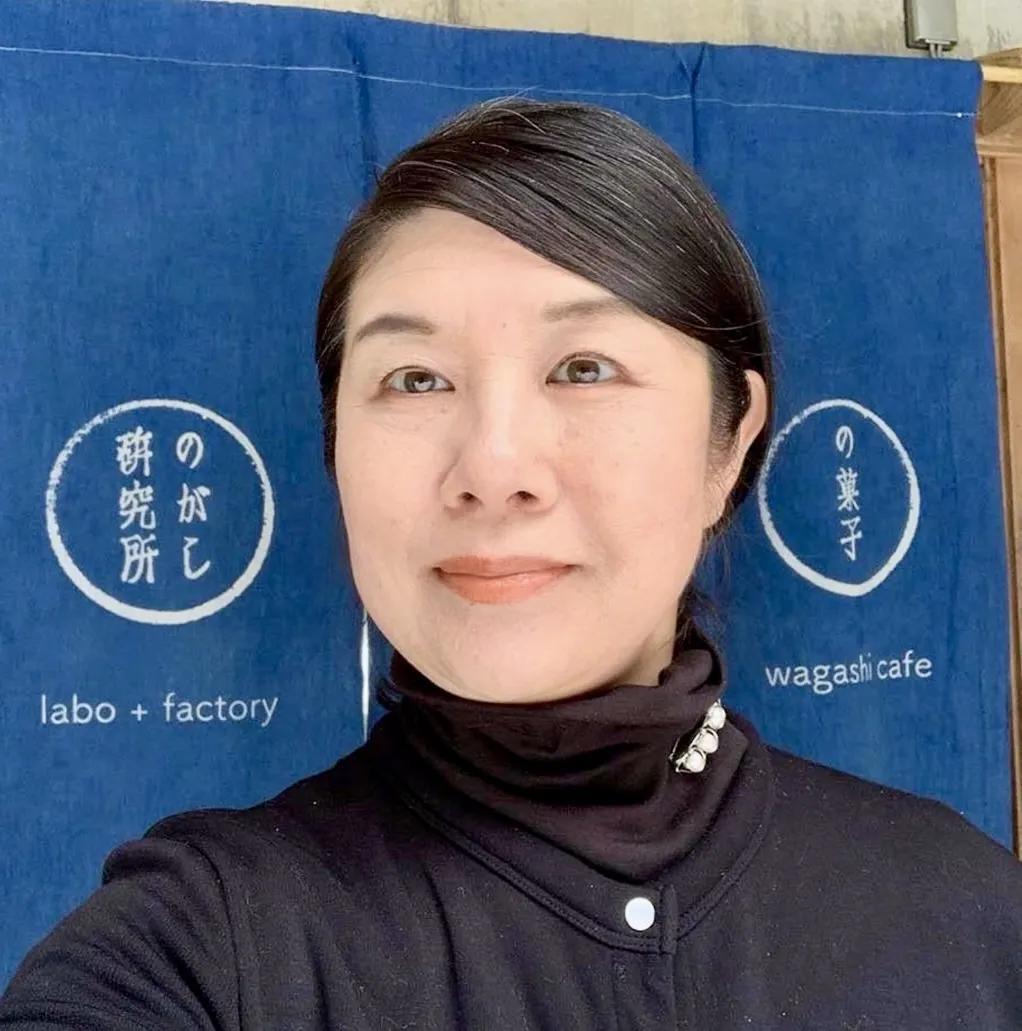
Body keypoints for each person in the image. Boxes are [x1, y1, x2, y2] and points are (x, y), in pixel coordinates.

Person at [2, 97, 1021, 1030]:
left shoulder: (966, 912)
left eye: (583, 367)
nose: (491, 470)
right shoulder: (201, 946)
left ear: (729, 442)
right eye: (415, 378)